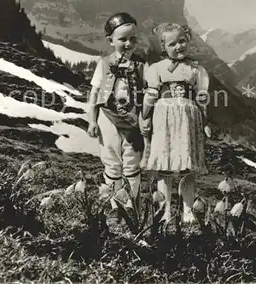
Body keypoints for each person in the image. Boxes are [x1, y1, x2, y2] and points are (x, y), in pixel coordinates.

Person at [141, 22, 211, 223]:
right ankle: (165, 212)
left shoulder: (196, 70)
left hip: (189, 120)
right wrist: (145, 116)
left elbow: (201, 98)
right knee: (165, 166)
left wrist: (205, 121)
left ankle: (188, 211)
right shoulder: (157, 69)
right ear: (163, 47)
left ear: (188, 40)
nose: (179, 46)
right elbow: (151, 94)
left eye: (182, 41)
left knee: (186, 166)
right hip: (164, 118)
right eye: (173, 44)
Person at [87, 12, 147, 217]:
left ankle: (133, 205)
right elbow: (95, 93)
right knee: (111, 158)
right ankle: (114, 205)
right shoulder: (103, 64)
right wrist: (91, 121)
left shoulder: (141, 65)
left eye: (133, 39)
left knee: (132, 160)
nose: (128, 44)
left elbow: (150, 92)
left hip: (133, 119)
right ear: (110, 40)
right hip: (108, 117)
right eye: (123, 39)